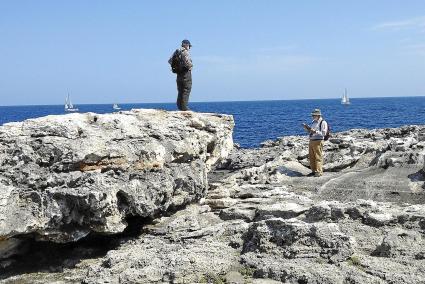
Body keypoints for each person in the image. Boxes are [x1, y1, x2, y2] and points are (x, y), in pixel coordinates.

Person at [168, 39, 193, 111]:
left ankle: (179, 106)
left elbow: (169, 61)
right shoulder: (185, 52)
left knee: (180, 90)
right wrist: (191, 65)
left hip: (178, 74)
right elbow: (188, 63)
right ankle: (184, 108)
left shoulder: (176, 51)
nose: (189, 48)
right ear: (186, 45)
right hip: (186, 74)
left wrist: (178, 67)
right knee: (186, 90)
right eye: (189, 46)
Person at [302, 109, 328, 177]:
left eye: (314, 115)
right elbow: (311, 131)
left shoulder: (323, 122)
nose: (312, 116)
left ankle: (319, 171)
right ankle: (313, 171)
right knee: (311, 157)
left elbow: (324, 133)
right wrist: (307, 128)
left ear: (318, 115)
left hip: (318, 141)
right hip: (312, 140)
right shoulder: (313, 122)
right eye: (312, 115)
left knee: (318, 157)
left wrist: (315, 132)